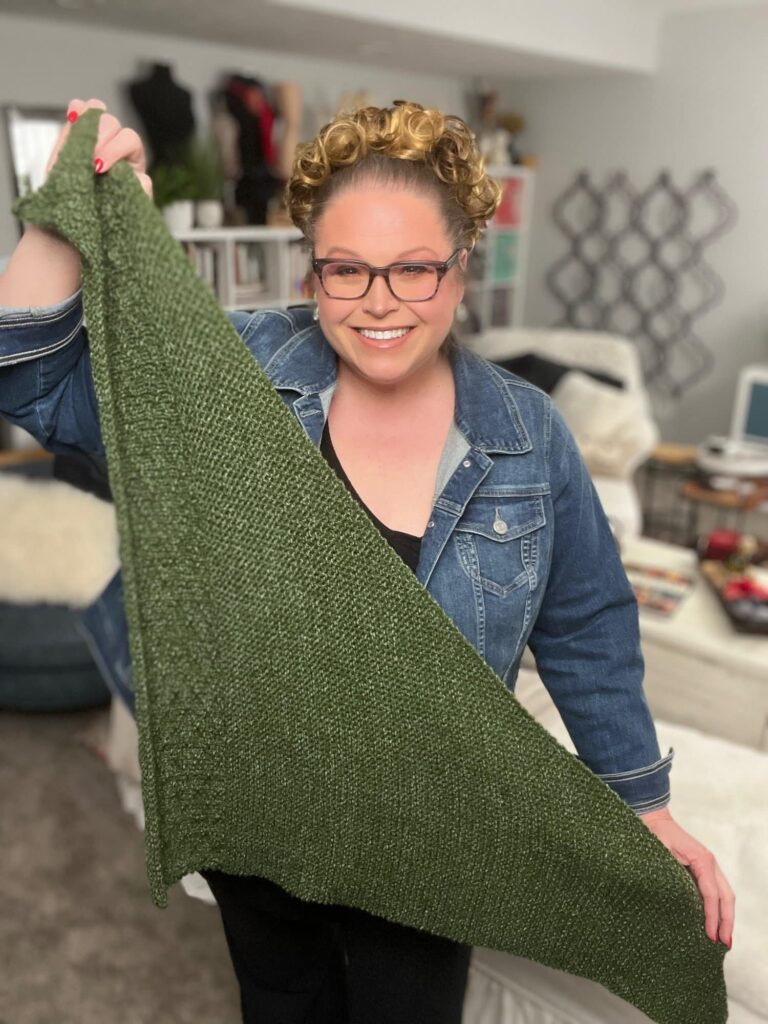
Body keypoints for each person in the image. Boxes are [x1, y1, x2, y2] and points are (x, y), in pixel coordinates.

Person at [0, 97, 734, 1023]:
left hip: (434, 835)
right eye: (346, 270)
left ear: (462, 268)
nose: (380, 302)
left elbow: (586, 621)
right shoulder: (237, 375)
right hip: (258, 816)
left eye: (415, 270)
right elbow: (33, 379)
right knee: (279, 1002)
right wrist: (72, 205)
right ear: (314, 272)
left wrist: (643, 805)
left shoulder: (527, 438)